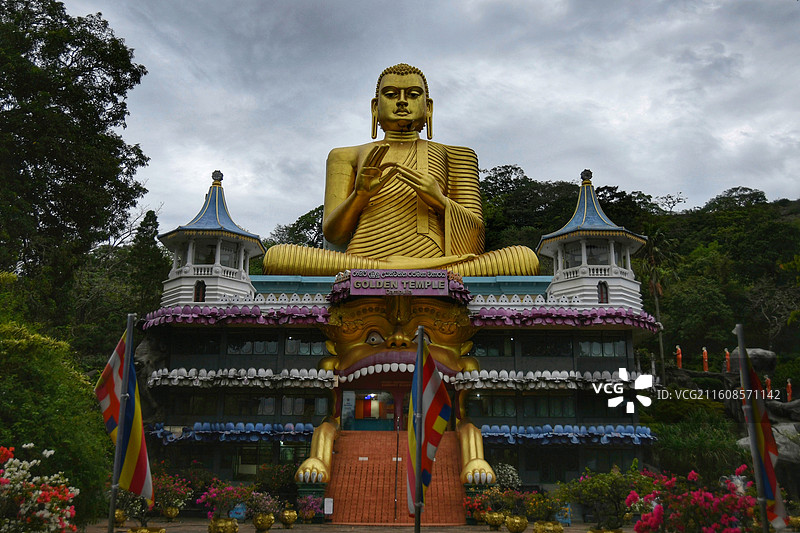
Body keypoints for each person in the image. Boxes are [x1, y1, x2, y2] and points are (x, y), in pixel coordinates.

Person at [263, 63, 538, 276]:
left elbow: (475, 233)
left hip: (438, 263)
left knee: (524, 259)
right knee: (277, 257)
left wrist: (439, 201)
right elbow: (334, 234)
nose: (402, 101)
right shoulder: (345, 155)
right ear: (375, 106)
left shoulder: (457, 155)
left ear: (428, 108)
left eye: (413, 94)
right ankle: (394, 272)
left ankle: (397, 273)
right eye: (392, 94)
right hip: (363, 261)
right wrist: (359, 195)